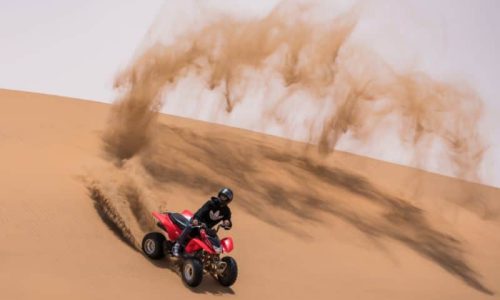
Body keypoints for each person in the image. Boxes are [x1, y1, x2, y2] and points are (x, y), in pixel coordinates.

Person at [172, 187, 233, 257]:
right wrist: (196, 219)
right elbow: (201, 212)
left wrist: (227, 223)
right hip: (197, 221)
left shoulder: (226, 211)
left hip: (206, 228)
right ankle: (177, 245)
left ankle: (213, 257)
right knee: (190, 226)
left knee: (215, 240)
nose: (222, 198)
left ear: (228, 200)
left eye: (224, 197)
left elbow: (228, 221)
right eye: (221, 195)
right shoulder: (211, 203)